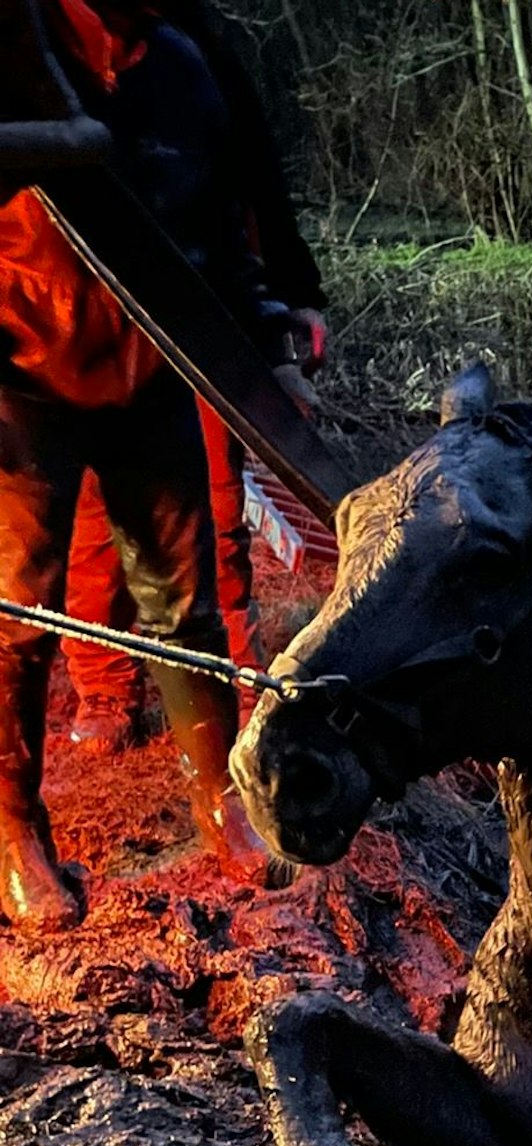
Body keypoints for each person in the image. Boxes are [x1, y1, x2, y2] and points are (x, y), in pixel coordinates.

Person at [0, 0, 296, 927]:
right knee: (18, 613)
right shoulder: (20, 48)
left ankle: (221, 803)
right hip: (23, 376)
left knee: (185, 601)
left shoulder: (182, 69)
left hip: (153, 369)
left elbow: (224, 235)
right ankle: (14, 836)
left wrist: (270, 342)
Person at [61, 0, 328, 753]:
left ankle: (242, 684)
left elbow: (247, 181)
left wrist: (289, 308)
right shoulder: (42, 47)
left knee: (215, 510)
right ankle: (104, 687)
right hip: (76, 321)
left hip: (197, 316)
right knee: (92, 514)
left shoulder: (192, 52)